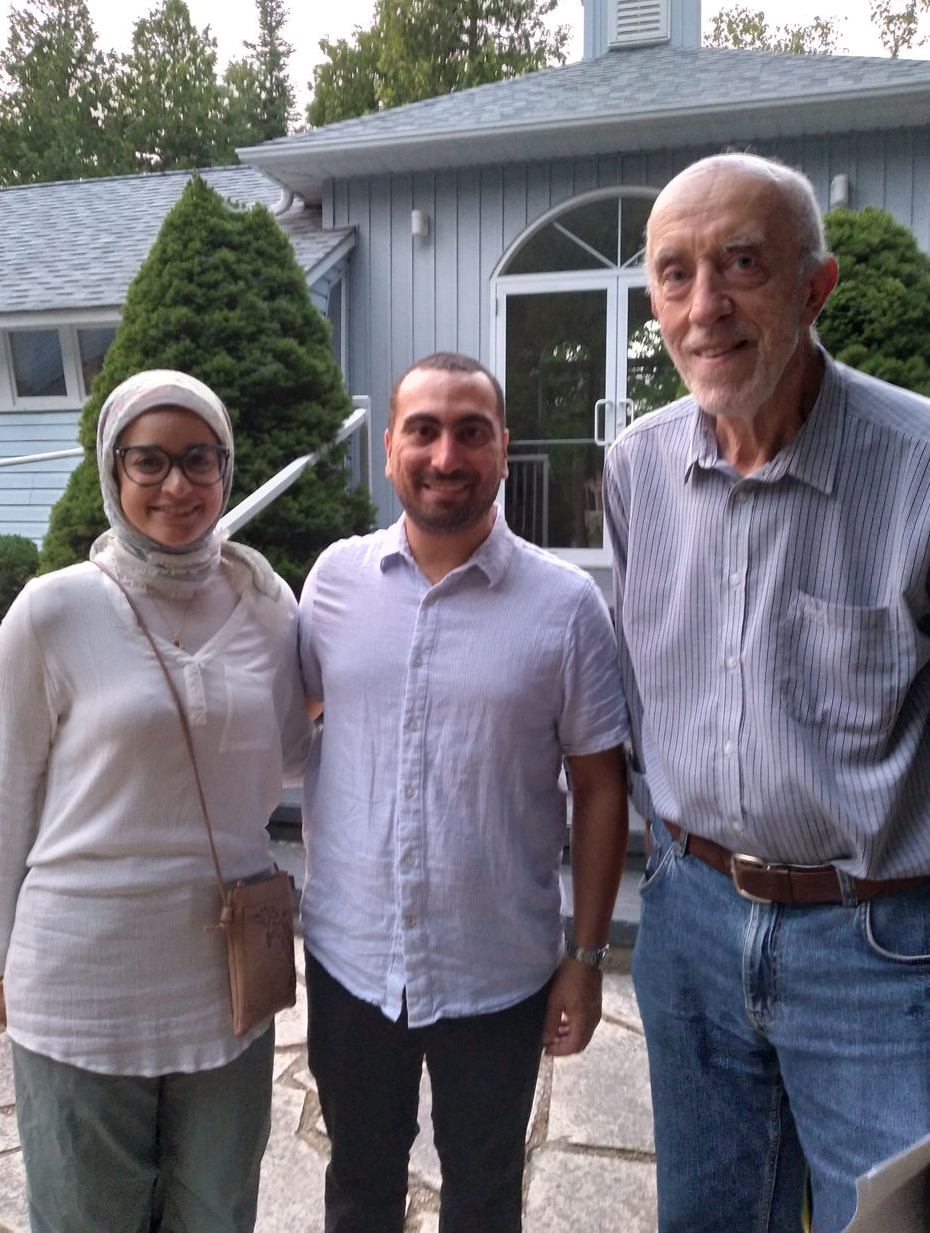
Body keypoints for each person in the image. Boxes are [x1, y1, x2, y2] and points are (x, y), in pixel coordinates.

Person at [603, 152, 930, 1233]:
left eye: (741, 264)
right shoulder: (635, 469)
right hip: (688, 924)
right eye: (674, 274)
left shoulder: (917, 466)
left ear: (812, 287)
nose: (705, 308)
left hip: (878, 947)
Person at [0, 369, 313, 1233]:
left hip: (225, 981)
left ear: (227, 469)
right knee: (90, 1215)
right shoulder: (52, 613)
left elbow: (291, 757)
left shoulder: (270, 610)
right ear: (112, 472)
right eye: (149, 461)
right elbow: (7, 797)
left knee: (217, 1210)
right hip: (82, 975)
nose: (176, 484)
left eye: (199, 459)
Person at [298, 352, 629, 1233]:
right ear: (389, 450)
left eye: (471, 432)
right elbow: (283, 717)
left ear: (504, 450)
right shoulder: (332, 583)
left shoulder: (565, 607)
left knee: (483, 1200)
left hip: (497, 973)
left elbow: (601, 789)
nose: (447, 454)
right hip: (350, 961)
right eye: (424, 430)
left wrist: (586, 960)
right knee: (359, 1186)